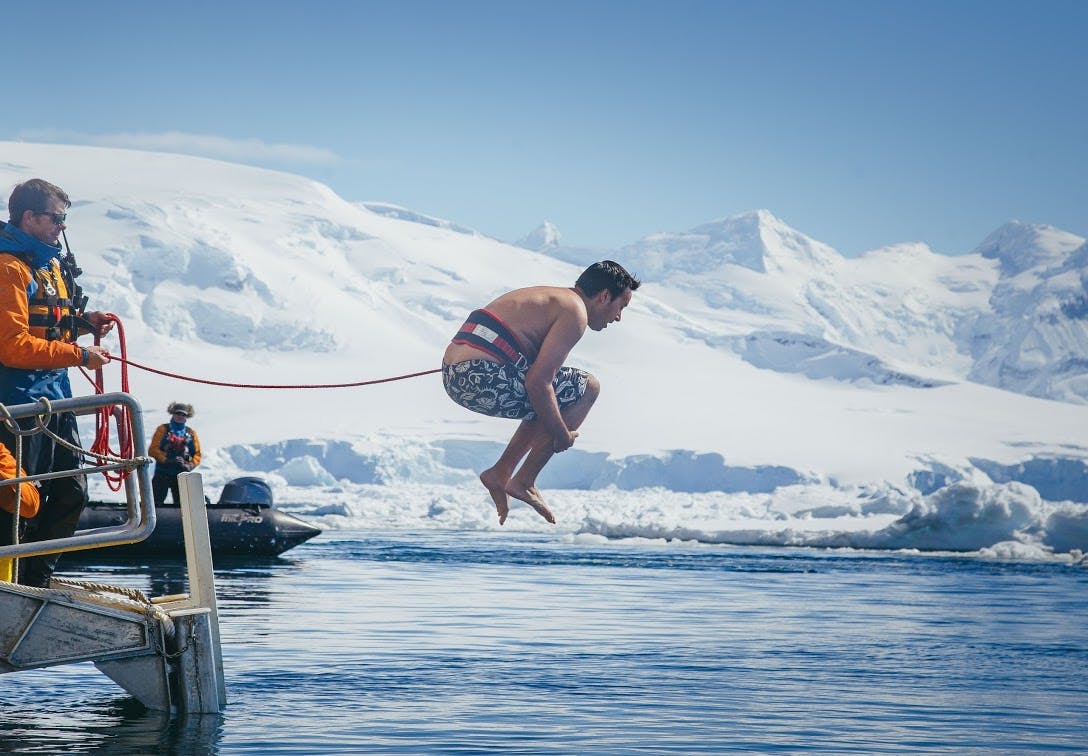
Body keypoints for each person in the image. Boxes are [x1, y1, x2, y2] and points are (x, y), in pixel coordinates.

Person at [442, 260, 640, 525]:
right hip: (480, 376)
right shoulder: (575, 311)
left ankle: (501, 472)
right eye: (621, 307)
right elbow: (538, 383)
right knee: (586, 388)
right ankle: (524, 479)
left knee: (551, 399)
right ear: (604, 296)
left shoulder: (554, 298)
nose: (618, 317)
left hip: (456, 376)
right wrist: (561, 435)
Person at [0, 178, 112, 586]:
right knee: (20, 502)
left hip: (54, 402)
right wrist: (79, 355)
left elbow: (44, 328)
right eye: (56, 218)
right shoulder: (8, 268)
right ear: (29, 217)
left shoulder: (45, 264)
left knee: (70, 493)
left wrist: (81, 326)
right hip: (15, 408)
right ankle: (13, 587)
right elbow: (11, 347)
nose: (62, 226)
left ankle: (35, 583)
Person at [148, 402, 201, 505]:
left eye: (183, 414)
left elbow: (197, 454)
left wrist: (189, 465)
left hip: (181, 474)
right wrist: (167, 460)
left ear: (187, 416)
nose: (180, 416)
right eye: (178, 413)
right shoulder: (163, 429)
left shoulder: (191, 433)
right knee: (155, 502)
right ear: (172, 413)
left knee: (183, 505)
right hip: (162, 473)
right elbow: (153, 449)